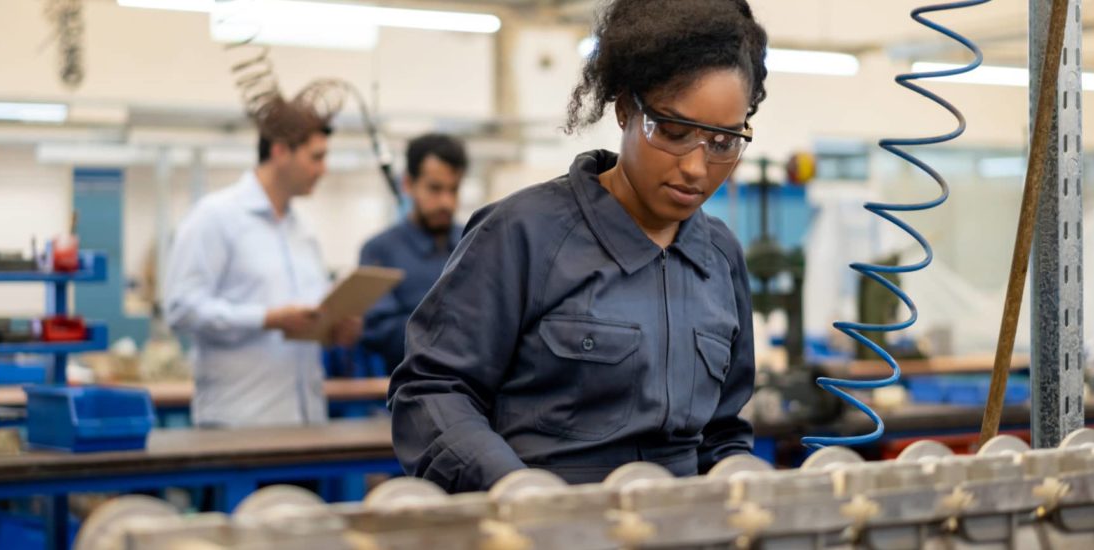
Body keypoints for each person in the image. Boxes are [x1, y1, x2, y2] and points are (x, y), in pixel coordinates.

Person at [389, 0, 766, 492]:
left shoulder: (720, 258)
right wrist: (516, 492)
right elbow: (432, 392)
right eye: (673, 131)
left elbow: (720, 432)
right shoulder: (522, 234)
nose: (696, 168)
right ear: (627, 108)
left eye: (722, 143)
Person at [164, 93, 362, 428]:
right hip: (239, 424)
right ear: (280, 151)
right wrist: (267, 319)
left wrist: (334, 328)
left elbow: (308, 320)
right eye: (316, 157)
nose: (323, 170)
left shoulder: (303, 231)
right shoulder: (216, 218)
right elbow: (181, 309)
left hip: (306, 422)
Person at [358, 134, 469, 370]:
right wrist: (456, 329)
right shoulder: (380, 251)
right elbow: (379, 331)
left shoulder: (473, 243)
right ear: (408, 184)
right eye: (435, 189)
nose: (446, 202)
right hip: (408, 392)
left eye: (454, 190)